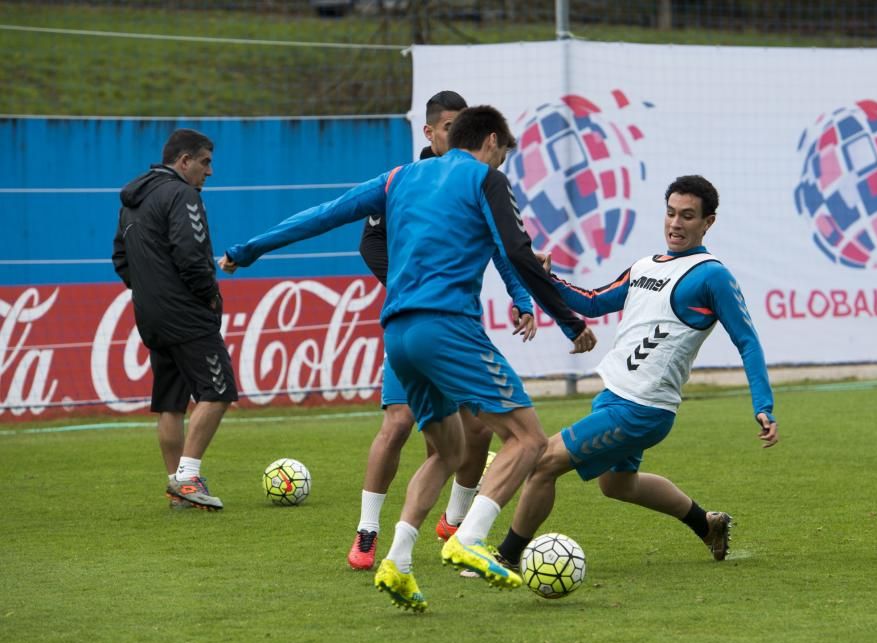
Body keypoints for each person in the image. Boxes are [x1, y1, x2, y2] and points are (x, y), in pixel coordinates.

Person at [219, 105, 597, 611]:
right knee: (527, 439)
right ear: (490, 142)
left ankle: (397, 560)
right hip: (448, 326)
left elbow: (324, 215)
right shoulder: (486, 179)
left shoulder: (400, 176)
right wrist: (571, 321)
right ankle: (470, 536)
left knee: (448, 451)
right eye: (503, 155)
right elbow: (517, 252)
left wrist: (248, 250)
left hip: (398, 335)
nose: (502, 165)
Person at [494, 175, 780, 570]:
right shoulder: (645, 265)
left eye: (687, 216)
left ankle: (505, 557)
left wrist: (763, 405)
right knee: (617, 485)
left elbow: (747, 341)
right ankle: (706, 523)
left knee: (543, 462)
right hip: (614, 394)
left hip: (643, 408)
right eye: (670, 213)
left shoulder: (712, 275)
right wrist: (543, 277)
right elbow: (592, 303)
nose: (675, 224)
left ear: (707, 222)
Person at [350, 90, 538, 571]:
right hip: (419, 318)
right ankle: (368, 531)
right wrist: (410, 283)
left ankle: (450, 526)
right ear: (430, 132)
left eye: (461, 127)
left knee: (469, 434)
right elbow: (370, 242)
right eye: (446, 127)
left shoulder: (474, 180)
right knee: (397, 425)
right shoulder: (405, 180)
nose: (454, 136)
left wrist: (522, 297)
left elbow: (501, 247)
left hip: (437, 322)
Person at [112, 128, 237, 511]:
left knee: (171, 403)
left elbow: (120, 257)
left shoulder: (133, 201)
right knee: (219, 391)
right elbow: (191, 253)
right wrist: (210, 296)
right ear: (184, 162)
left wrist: (150, 290)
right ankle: (186, 479)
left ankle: (178, 487)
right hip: (186, 315)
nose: (209, 172)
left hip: (150, 315)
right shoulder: (182, 194)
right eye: (205, 162)